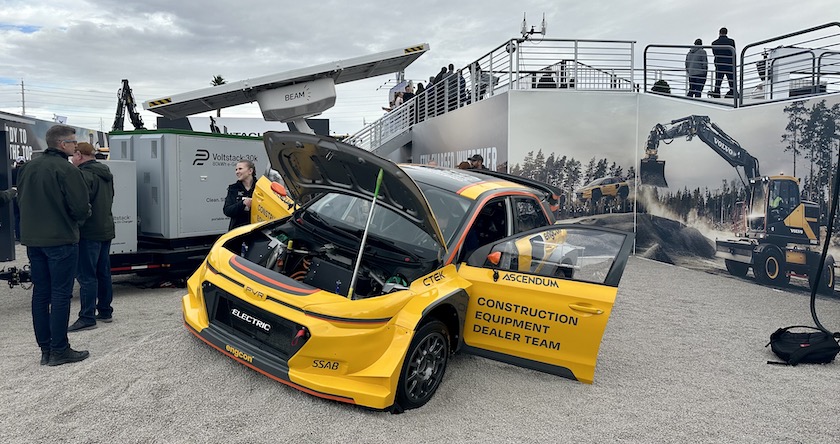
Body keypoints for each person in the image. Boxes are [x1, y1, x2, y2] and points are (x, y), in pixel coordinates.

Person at [16, 124, 91, 366]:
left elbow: (20, 202)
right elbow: (80, 208)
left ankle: (45, 350)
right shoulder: (67, 170)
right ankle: (60, 349)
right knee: (60, 294)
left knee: (40, 294)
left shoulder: (28, 168)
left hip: (33, 241)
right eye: (72, 141)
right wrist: (79, 219)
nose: (75, 145)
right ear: (62, 144)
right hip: (61, 240)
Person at [68, 142, 116, 332]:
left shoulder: (83, 175)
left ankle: (87, 317)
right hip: (105, 228)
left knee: (87, 275)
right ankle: (105, 310)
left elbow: (80, 205)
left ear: (79, 155)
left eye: (73, 155)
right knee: (103, 272)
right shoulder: (106, 173)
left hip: (88, 232)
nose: (71, 159)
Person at [223, 159, 256, 230]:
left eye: (240, 169)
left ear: (250, 171)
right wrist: (243, 203)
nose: (237, 172)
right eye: (236, 170)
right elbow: (227, 211)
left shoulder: (260, 187)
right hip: (237, 231)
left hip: (256, 231)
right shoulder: (233, 188)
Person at [711, 27, 736, 98]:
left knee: (718, 80)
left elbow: (714, 53)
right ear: (726, 33)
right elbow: (733, 53)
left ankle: (716, 93)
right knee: (731, 80)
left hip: (719, 64)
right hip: (729, 63)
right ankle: (733, 92)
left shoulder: (714, 43)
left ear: (719, 32)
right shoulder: (731, 42)